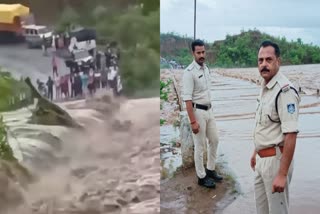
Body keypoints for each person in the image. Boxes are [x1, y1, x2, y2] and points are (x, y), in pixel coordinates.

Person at [250, 41, 300, 214]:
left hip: (276, 163)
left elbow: (291, 135)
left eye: (268, 60)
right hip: (261, 160)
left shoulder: (285, 92)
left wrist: (282, 174)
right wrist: (255, 152)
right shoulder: (265, 88)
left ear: (278, 61)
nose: (264, 64)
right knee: (261, 210)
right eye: (260, 60)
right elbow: (263, 126)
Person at [182, 39, 223, 188]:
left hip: (209, 111)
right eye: (198, 52)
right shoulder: (189, 73)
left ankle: (210, 169)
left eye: (203, 52)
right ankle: (201, 176)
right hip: (197, 111)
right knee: (200, 146)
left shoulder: (206, 69)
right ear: (193, 53)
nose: (201, 55)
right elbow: (187, 100)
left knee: (215, 140)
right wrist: (193, 121)